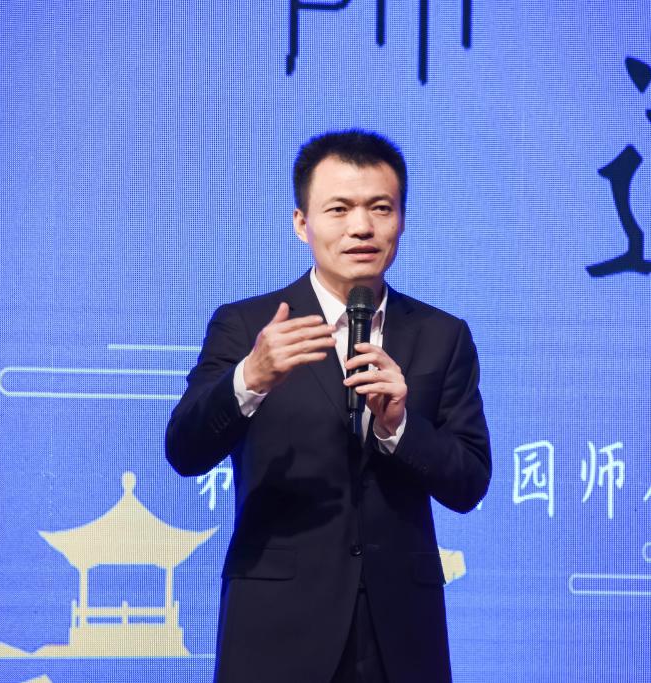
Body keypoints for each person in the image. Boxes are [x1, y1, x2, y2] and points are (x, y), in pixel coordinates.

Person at [166, 129, 491, 682]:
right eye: (338, 209)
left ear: (402, 221)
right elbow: (185, 450)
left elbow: (469, 483)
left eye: (380, 208)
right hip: (275, 629)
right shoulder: (248, 326)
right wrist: (250, 377)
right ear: (302, 223)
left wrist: (399, 427)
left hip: (401, 634)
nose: (361, 227)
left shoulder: (442, 335)